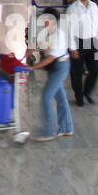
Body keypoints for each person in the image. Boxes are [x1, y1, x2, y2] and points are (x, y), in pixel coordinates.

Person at [29, 8, 74, 142]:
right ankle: (66, 127)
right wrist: (24, 56)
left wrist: (33, 67)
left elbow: (50, 58)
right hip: (53, 68)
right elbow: (35, 44)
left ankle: (49, 131)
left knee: (46, 96)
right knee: (60, 97)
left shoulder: (58, 36)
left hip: (60, 66)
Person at [66, 0, 98, 106]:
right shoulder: (73, 9)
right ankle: (78, 95)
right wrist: (72, 48)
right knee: (76, 71)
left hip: (92, 41)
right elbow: (69, 29)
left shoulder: (94, 6)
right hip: (78, 42)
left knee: (95, 69)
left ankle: (87, 92)